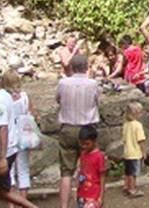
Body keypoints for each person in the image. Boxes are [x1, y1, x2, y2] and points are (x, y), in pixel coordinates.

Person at [0, 67, 37, 208]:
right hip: (7, 147)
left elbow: (3, 127)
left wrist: (2, 157)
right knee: (1, 190)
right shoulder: (4, 95)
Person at [56, 53, 101, 208]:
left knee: (66, 171)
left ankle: (64, 206)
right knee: (89, 169)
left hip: (68, 127)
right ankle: (88, 202)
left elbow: (58, 100)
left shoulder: (63, 83)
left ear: (72, 67)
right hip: (87, 129)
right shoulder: (93, 84)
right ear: (86, 67)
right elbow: (98, 101)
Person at [3, 69, 37, 202]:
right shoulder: (25, 97)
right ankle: (23, 201)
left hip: (9, 136)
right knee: (23, 169)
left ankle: (12, 202)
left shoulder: (3, 99)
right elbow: (33, 115)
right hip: (24, 136)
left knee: (9, 171)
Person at [75, 125, 106, 208]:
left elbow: (102, 176)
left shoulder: (99, 156)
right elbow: (81, 171)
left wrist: (101, 196)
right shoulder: (83, 154)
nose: (84, 146)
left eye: (87, 144)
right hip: (82, 193)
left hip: (93, 194)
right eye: (82, 144)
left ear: (94, 141)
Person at [121, 102, 146, 198]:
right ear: (136, 113)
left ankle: (126, 186)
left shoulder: (125, 125)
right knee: (133, 173)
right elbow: (141, 140)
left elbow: (124, 139)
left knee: (127, 172)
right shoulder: (138, 125)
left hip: (127, 152)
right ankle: (132, 189)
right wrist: (144, 152)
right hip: (135, 153)